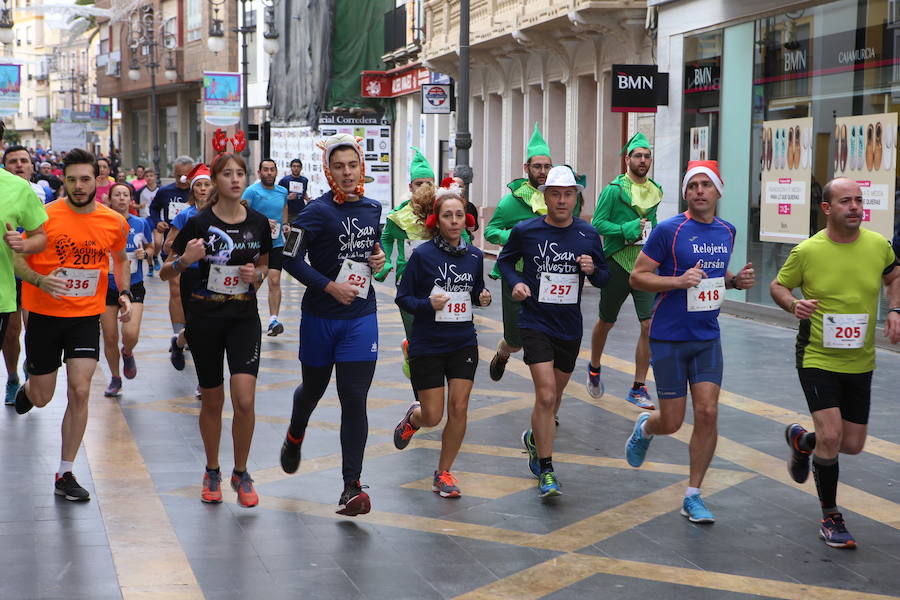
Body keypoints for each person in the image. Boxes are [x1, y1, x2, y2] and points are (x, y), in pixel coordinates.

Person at [772, 177, 900, 549]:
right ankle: (830, 515)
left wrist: (894, 308)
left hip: (860, 358)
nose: (856, 207)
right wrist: (793, 304)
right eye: (846, 201)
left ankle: (801, 442)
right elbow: (779, 286)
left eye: (859, 200)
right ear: (827, 209)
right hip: (817, 355)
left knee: (853, 443)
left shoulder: (878, 245)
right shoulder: (808, 251)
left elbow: (894, 275)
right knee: (832, 435)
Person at [624, 160, 755, 523]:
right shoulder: (669, 230)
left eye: (706, 185)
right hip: (668, 337)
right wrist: (676, 281)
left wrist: (733, 281)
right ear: (686, 192)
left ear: (718, 190)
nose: (699, 190)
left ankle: (693, 494)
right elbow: (638, 277)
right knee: (672, 422)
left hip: (706, 337)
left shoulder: (727, 231)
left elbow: (713, 275)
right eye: (693, 185)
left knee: (709, 413)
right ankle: (645, 427)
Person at [14, 148, 131, 503]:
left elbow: (121, 258)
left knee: (80, 390)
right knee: (43, 396)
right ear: (62, 180)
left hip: (84, 317)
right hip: (44, 317)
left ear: (98, 180)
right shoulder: (43, 216)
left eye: (85, 179)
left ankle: (65, 471)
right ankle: (29, 389)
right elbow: (17, 260)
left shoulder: (114, 221)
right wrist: (38, 279)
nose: (79, 186)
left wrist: (123, 291)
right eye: (72, 180)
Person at [281, 133, 386, 516]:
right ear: (328, 171)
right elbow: (288, 259)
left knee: (354, 399)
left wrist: (379, 260)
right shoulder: (315, 212)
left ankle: (351, 487)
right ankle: (295, 434)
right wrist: (329, 286)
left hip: (360, 318)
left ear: (361, 168)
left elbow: (373, 253)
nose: (346, 172)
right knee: (312, 389)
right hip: (320, 319)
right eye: (338, 166)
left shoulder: (374, 208)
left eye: (352, 165)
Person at [162, 152, 271, 508]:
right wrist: (185, 260)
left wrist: (257, 276)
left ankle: (241, 472)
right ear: (217, 180)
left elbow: (266, 262)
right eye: (228, 174)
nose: (235, 179)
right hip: (204, 320)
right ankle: (212, 470)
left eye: (241, 173)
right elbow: (166, 271)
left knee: (245, 399)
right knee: (212, 400)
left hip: (243, 319)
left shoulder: (257, 222)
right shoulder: (198, 223)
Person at [497, 165, 608, 497]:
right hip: (534, 321)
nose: (562, 201)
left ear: (576, 197)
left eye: (568, 194)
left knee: (554, 399)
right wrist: (516, 282)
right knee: (545, 394)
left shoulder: (588, 234)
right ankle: (546, 469)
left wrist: (593, 269)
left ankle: (534, 438)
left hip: (568, 327)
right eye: (556, 194)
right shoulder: (526, 231)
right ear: (545, 197)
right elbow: (505, 261)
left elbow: (604, 277)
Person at [392, 186, 491, 498]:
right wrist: (427, 305)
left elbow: (476, 290)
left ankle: (444, 472)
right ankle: (414, 416)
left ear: (467, 219)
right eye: (447, 215)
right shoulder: (422, 255)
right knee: (433, 417)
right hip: (428, 344)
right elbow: (403, 297)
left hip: (463, 341)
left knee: (459, 408)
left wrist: (483, 297)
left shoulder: (475, 256)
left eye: (459, 215)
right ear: (437, 220)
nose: (454, 221)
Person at [587, 133, 662, 410]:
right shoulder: (614, 190)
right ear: (627, 159)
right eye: (638, 155)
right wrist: (623, 230)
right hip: (616, 262)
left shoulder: (655, 190)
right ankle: (594, 366)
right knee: (606, 321)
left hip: (643, 265)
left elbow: (652, 225)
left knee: (649, 325)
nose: (643, 160)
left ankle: (638, 387)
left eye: (647, 156)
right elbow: (596, 224)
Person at [486, 124, 557, 382]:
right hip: (516, 275)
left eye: (547, 166)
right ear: (526, 168)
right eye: (537, 166)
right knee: (516, 341)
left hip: (550, 278)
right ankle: (503, 353)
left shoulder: (557, 197)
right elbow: (491, 231)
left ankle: (548, 398)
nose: (542, 171)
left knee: (547, 339)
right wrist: (515, 238)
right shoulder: (511, 201)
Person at [375, 148, 438, 375]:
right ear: (410, 187)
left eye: (428, 183)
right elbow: (386, 237)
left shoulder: (444, 211)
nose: (424, 188)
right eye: (419, 183)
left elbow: (464, 238)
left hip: (441, 282)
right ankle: (413, 360)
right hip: (408, 282)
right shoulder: (398, 215)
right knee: (416, 336)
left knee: (437, 336)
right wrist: (387, 263)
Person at [1, 145, 51, 405]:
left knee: (34, 328)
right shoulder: (5, 190)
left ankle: (30, 367)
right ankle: (11, 378)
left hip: (33, 273)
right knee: (11, 332)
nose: (19, 165)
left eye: (24, 161)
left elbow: (46, 235)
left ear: (32, 166)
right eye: (13, 161)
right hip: (7, 274)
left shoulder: (45, 193)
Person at [100, 183, 154, 397]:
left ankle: (128, 351)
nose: (121, 198)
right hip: (106, 285)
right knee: (110, 336)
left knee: (130, 333)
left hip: (133, 284)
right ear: (109, 199)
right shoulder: (102, 222)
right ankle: (115, 378)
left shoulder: (141, 223)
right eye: (117, 195)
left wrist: (146, 254)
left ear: (131, 200)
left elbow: (151, 247)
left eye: (125, 195)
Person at [163, 163, 213, 370]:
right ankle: (179, 339)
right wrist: (188, 253)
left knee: (210, 326)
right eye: (198, 185)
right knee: (197, 325)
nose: (202, 189)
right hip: (190, 274)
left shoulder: (220, 214)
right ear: (192, 189)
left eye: (206, 185)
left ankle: (205, 381)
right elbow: (169, 246)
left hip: (214, 274)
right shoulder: (185, 215)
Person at [151, 156, 194, 359]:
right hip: (173, 247)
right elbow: (153, 209)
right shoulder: (165, 191)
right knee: (175, 290)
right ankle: (177, 333)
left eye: (185, 175)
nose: (181, 179)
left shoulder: (199, 191)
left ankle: (191, 333)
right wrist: (157, 223)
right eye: (178, 175)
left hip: (197, 251)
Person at [242, 158, 289, 336]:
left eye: (272, 170)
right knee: (257, 281)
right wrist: (261, 222)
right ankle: (244, 312)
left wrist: (285, 223)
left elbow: (284, 207)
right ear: (259, 172)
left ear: (276, 172)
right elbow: (242, 212)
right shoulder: (251, 191)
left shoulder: (282, 191)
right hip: (256, 245)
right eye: (265, 170)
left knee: (275, 280)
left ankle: (273, 320)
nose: (269, 173)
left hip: (277, 243)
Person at [278, 158, 309, 223]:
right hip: (288, 212)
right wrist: (288, 197)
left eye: (298, 166)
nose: (296, 168)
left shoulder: (304, 180)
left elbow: (304, 192)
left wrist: (307, 199)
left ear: (301, 168)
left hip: (301, 211)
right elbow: (278, 197)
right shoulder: (284, 180)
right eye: (294, 166)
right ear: (291, 168)